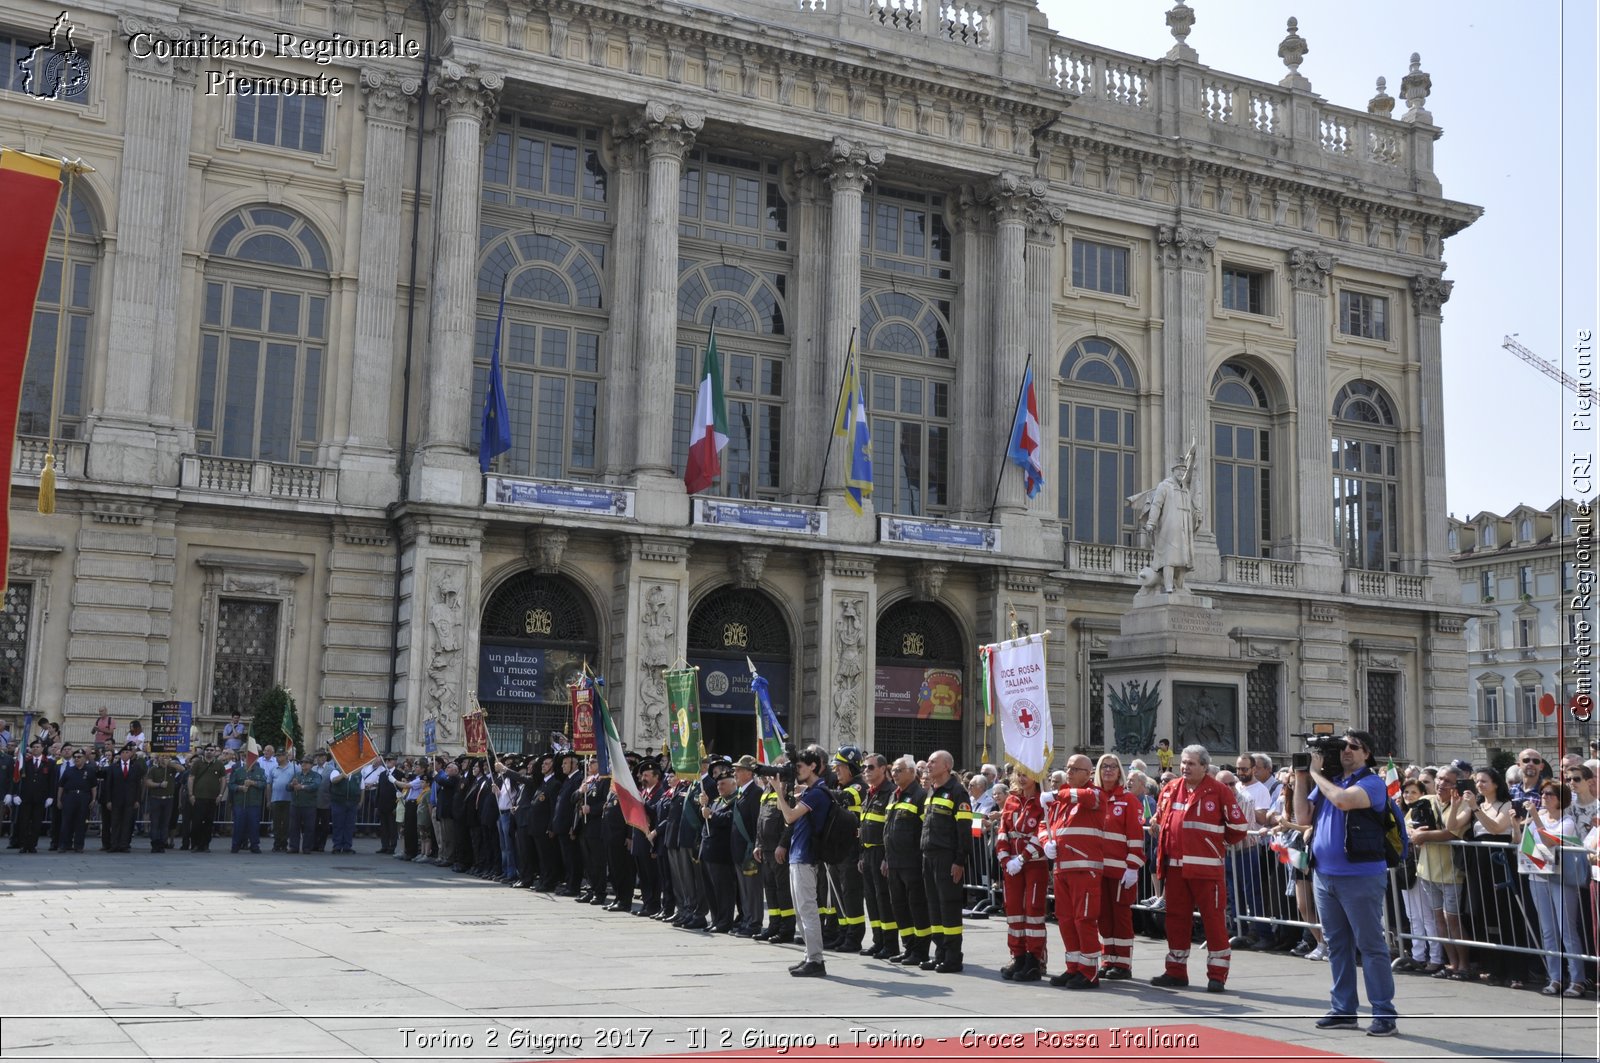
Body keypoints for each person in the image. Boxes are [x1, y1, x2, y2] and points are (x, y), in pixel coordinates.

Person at [1294, 729, 1398, 1037]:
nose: (1347, 751)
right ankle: (1343, 1010)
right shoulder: (1332, 782)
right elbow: (1302, 816)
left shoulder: (1372, 783)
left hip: (1360, 876)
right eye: (1343, 747)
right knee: (1337, 945)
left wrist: (1315, 773)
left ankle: (1383, 1013)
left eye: (1354, 747)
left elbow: (1341, 802)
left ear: (1367, 754)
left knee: (1370, 945)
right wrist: (1302, 777)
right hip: (1325, 876)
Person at [1152, 744, 1247, 993]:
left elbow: (1238, 828)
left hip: (1207, 871)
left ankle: (1217, 975)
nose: (1185, 767)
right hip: (1175, 870)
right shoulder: (1170, 788)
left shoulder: (1218, 791)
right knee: (1176, 921)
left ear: (1204, 766)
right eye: (1183, 762)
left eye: (1191, 763)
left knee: (1213, 922)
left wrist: (1215, 844)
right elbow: (1162, 820)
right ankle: (1175, 971)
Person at [1516, 780, 1588, 996]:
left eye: (1550, 794)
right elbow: (1523, 843)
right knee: (1548, 931)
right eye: (1543, 793)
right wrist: (1515, 825)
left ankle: (1577, 979)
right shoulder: (1534, 819)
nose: (1544, 797)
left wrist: (1535, 817)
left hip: (1560, 879)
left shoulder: (1566, 821)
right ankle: (1554, 977)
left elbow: (1549, 841)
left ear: (1560, 799)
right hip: (1537, 877)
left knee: (1567, 930)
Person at [1041, 754, 1104, 988]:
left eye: (1075, 768)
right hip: (1062, 869)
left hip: (1085, 869)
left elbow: (1087, 797)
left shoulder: (1095, 794)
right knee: (1066, 920)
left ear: (1088, 773)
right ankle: (1073, 967)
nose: (1069, 772)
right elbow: (1045, 824)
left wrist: (1057, 794)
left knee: (1084, 920)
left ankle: (1089, 972)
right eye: (1067, 768)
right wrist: (1046, 841)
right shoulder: (1061, 800)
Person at [775, 744, 833, 978]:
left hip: (806, 856)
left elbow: (789, 816)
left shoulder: (818, 793)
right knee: (801, 909)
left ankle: (816, 960)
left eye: (800, 766)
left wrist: (778, 792)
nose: (796, 770)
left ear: (813, 766)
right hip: (798, 855)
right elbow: (791, 820)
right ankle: (810, 955)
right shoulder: (810, 791)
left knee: (808, 909)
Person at [920, 749, 974, 974]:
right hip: (928, 856)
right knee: (934, 907)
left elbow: (964, 830)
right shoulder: (932, 791)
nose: (928, 766)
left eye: (933, 762)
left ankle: (953, 957)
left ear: (946, 766)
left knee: (949, 907)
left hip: (947, 858)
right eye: (928, 761)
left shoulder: (957, 792)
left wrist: (959, 861)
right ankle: (940, 953)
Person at [1094, 753, 1145, 979]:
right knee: (1103, 917)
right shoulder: (1093, 797)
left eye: (1113, 767)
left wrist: (1132, 866)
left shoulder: (1128, 800)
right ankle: (1108, 959)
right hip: (1098, 869)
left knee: (1121, 917)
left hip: (1121, 870)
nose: (1108, 770)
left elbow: (1135, 837)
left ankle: (1123, 964)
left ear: (1119, 772)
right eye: (1104, 766)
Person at [995, 770, 1049, 982]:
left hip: (1034, 863)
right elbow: (1003, 830)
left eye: (1026, 774)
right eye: (1019, 774)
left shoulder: (1043, 800)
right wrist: (1005, 858)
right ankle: (1017, 955)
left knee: (1033, 910)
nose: (1022, 778)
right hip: (1012, 865)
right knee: (1014, 910)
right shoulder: (1011, 800)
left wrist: (1023, 858)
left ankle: (1034, 959)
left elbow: (1041, 834)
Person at [1130, 446, 1201, 595]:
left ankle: (1179, 586)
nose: (1181, 473)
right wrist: (1151, 522)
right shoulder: (1164, 486)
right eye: (1179, 470)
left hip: (1184, 527)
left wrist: (1197, 515)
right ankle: (1168, 586)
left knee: (1183, 560)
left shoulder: (1185, 490)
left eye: (1183, 470)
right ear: (1173, 471)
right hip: (1169, 527)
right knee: (1169, 558)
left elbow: (1192, 507)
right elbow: (1156, 505)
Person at [881, 754, 931, 966]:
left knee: (916, 907)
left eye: (899, 770)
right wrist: (886, 858)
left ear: (912, 772)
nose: (894, 773)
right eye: (893, 770)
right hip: (894, 862)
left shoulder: (920, 796)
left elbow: (924, 831)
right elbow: (888, 830)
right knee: (899, 907)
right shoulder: (895, 795)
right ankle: (908, 946)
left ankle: (921, 951)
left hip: (912, 862)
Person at [824, 747, 867, 953]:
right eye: (835, 766)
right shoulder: (837, 786)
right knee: (838, 895)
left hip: (850, 850)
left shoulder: (859, 787)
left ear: (852, 767)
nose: (836, 770)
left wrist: (816, 792)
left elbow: (844, 799)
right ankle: (842, 933)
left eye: (840, 766)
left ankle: (854, 936)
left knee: (851, 895)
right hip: (836, 849)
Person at [856, 754, 897, 958]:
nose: (866, 771)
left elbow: (890, 829)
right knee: (871, 900)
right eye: (864, 768)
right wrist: (862, 854)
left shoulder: (890, 792)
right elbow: (865, 824)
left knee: (883, 900)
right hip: (868, 852)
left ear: (883, 769)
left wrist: (887, 858)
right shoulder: (870, 793)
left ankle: (890, 944)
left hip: (881, 852)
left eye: (870, 767)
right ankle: (877, 940)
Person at [731, 756, 764, 936]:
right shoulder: (742, 792)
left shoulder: (755, 793)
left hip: (748, 850)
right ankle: (746, 918)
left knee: (752, 890)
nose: (735, 773)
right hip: (739, 849)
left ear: (748, 773)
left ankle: (754, 922)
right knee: (744, 890)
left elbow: (755, 823)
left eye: (739, 770)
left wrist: (753, 846)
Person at [103, 745, 146, 852]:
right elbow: (109, 785)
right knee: (115, 822)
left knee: (127, 823)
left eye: (127, 752)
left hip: (130, 800)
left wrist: (137, 799)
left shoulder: (135, 767)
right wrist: (108, 800)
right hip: (116, 799)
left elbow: (137, 785)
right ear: (120, 754)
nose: (125, 754)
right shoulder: (113, 767)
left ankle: (124, 844)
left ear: (131, 754)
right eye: (123, 753)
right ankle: (114, 844)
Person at [187, 746, 228, 852]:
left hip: (212, 798)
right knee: (196, 822)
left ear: (215, 752)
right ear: (204, 752)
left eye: (211, 750)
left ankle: (205, 845)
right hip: (199, 797)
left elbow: (223, 779)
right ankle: (195, 844)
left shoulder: (219, 764)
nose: (209, 752)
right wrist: (191, 794)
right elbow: (191, 778)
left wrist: (220, 795)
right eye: (207, 750)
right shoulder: (197, 763)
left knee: (209, 823)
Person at [55, 749, 97, 852]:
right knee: (66, 822)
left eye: (79, 757)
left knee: (81, 822)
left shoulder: (90, 770)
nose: (77, 759)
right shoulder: (69, 770)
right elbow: (61, 786)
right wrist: (59, 800)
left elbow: (94, 786)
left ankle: (78, 845)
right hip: (70, 796)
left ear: (84, 758)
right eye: (75, 757)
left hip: (83, 797)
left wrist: (94, 799)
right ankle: (65, 844)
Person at [228, 752, 267, 853]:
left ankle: (254, 846)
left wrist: (253, 783)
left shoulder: (260, 771)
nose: (249, 760)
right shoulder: (238, 771)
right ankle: (235, 845)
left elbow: (263, 784)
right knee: (238, 825)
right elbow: (231, 785)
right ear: (244, 759)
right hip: (240, 803)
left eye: (251, 758)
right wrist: (239, 787)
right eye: (246, 758)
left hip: (254, 803)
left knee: (254, 825)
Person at [143, 752, 178, 853]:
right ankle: (155, 843)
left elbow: (182, 769)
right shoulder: (154, 769)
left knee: (165, 823)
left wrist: (170, 764)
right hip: (156, 798)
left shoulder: (171, 768)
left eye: (167, 757)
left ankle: (163, 843)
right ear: (158, 758)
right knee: (155, 822)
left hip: (168, 799)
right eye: (163, 756)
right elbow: (148, 782)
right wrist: (159, 785)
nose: (164, 758)